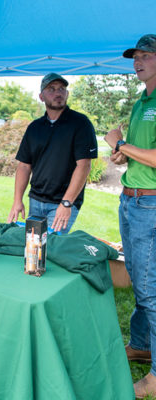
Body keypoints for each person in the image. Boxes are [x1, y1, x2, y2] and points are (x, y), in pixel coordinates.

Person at [104, 33, 156, 399]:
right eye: (135, 56)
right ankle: (140, 344)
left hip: (150, 205)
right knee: (140, 282)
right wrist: (122, 154)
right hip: (131, 200)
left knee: (151, 290)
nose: (137, 62)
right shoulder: (142, 101)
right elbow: (142, 153)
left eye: (146, 55)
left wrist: (121, 144)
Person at [7, 73, 97, 233]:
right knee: (33, 249)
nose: (58, 93)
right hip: (35, 200)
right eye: (51, 89)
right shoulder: (34, 127)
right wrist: (17, 200)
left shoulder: (81, 124)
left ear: (67, 94)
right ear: (41, 97)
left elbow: (84, 166)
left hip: (62, 203)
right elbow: (24, 166)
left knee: (50, 249)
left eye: (62, 89)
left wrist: (67, 203)